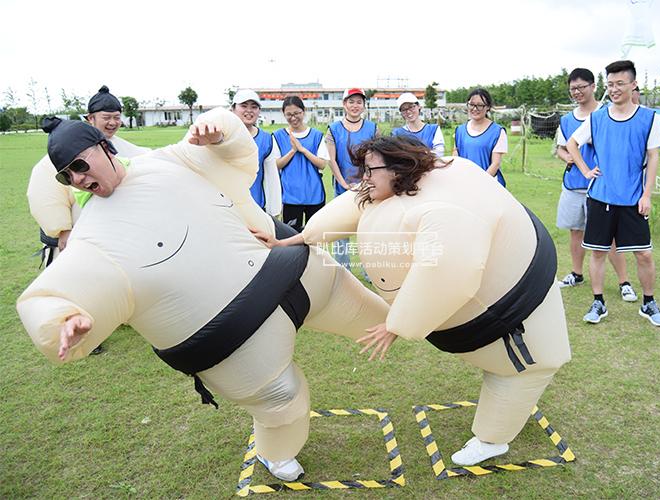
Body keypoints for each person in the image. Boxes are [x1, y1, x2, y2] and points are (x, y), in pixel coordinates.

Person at [16, 108, 390, 482]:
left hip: (298, 273)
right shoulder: (93, 236)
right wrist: (63, 318)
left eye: (81, 165)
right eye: (68, 175)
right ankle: (276, 454)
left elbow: (237, 155)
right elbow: (52, 291)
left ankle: (414, 323)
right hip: (237, 339)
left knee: (386, 320)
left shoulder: (168, 162)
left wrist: (219, 132)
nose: (79, 178)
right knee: (281, 398)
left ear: (104, 147)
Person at [256, 135, 571, 467]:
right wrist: (297, 239)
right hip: (493, 309)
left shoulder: (441, 208)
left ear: (398, 169)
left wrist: (397, 325)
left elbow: (450, 269)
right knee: (503, 370)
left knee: (521, 371)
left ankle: (493, 440)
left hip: (516, 321)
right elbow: (353, 203)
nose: (363, 179)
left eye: (369, 171)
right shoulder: (398, 187)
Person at [26, 85, 150, 354]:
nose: (113, 122)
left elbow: (147, 165)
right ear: (90, 119)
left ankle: (121, 315)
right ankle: (77, 329)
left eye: (117, 116)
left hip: (117, 232)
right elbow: (44, 191)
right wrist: (62, 229)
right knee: (78, 281)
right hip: (77, 233)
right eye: (107, 116)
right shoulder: (59, 153)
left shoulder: (125, 149)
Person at [566, 60, 660, 327]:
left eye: (620, 83)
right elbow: (572, 144)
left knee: (644, 254)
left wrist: (647, 194)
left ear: (633, 85)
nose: (614, 89)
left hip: (633, 199)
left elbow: (653, 157)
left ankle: (648, 303)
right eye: (610, 84)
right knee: (598, 253)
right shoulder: (597, 118)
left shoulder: (648, 118)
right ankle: (598, 302)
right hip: (600, 198)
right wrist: (587, 171)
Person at [554, 68, 637, 303]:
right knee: (576, 231)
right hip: (573, 185)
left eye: (582, 87)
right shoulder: (567, 120)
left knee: (607, 238)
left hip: (602, 188)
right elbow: (562, 148)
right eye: (573, 89)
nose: (577, 92)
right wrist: (566, 157)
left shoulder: (608, 114)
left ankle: (624, 282)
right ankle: (577, 273)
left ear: (593, 87)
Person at [324, 88, 378, 272]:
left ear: (364, 105)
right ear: (344, 104)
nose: (355, 106)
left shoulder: (372, 128)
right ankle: (342, 271)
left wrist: (366, 179)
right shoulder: (333, 129)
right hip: (342, 188)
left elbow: (377, 157)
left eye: (359, 102)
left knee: (368, 230)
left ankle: (369, 271)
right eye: (351, 101)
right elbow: (331, 159)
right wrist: (343, 183)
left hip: (368, 187)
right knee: (341, 231)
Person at [274, 96, 326, 232]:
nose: (293, 118)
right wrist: (293, 150)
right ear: (284, 114)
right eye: (289, 114)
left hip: (314, 196)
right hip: (291, 197)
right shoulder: (278, 136)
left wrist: (302, 149)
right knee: (291, 238)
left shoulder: (317, 135)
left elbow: (322, 164)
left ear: (304, 112)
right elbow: (276, 165)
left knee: (315, 238)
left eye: (297, 113)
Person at [231, 89, 282, 217]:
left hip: (256, 208)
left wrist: (274, 211)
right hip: (227, 209)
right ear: (233, 108)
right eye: (243, 106)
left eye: (254, 107)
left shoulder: (267, 140)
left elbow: (272, 178)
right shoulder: (222, 136)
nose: (249, 110)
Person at [452, 88, 508, 187]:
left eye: (480, 105)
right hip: (464, 184)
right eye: (472, 104)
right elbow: (456, 159)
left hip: (489, 185)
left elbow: (495, 164)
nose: (475, 109)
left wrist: (480, 185)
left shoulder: (497, 132)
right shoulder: (459, 131)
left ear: (488, 107)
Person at [391, 92, 445, 157]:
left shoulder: (434, 129)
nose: (408, 111)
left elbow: (439, 154)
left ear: (419, 106)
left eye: (411, 107)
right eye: (404, 109)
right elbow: (396, 156)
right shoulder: (397, 133)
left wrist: (411, 153)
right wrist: (425, 152)